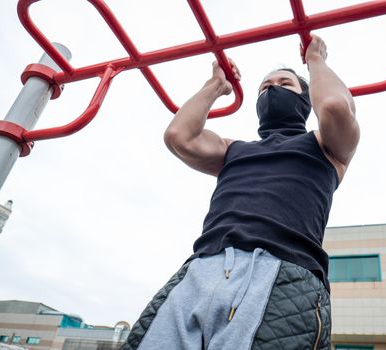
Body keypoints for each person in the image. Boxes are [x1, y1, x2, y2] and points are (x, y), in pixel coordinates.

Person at [122, 34, 359, 350]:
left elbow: (333, 105)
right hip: (202, 268)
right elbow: (179, 136)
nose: (272, 89)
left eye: (285, 84)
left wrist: (315, 60)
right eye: (264, 87)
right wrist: (216, 85)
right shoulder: (232, 149)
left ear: (305, 99)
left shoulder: (325, 147)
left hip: (280, 272)